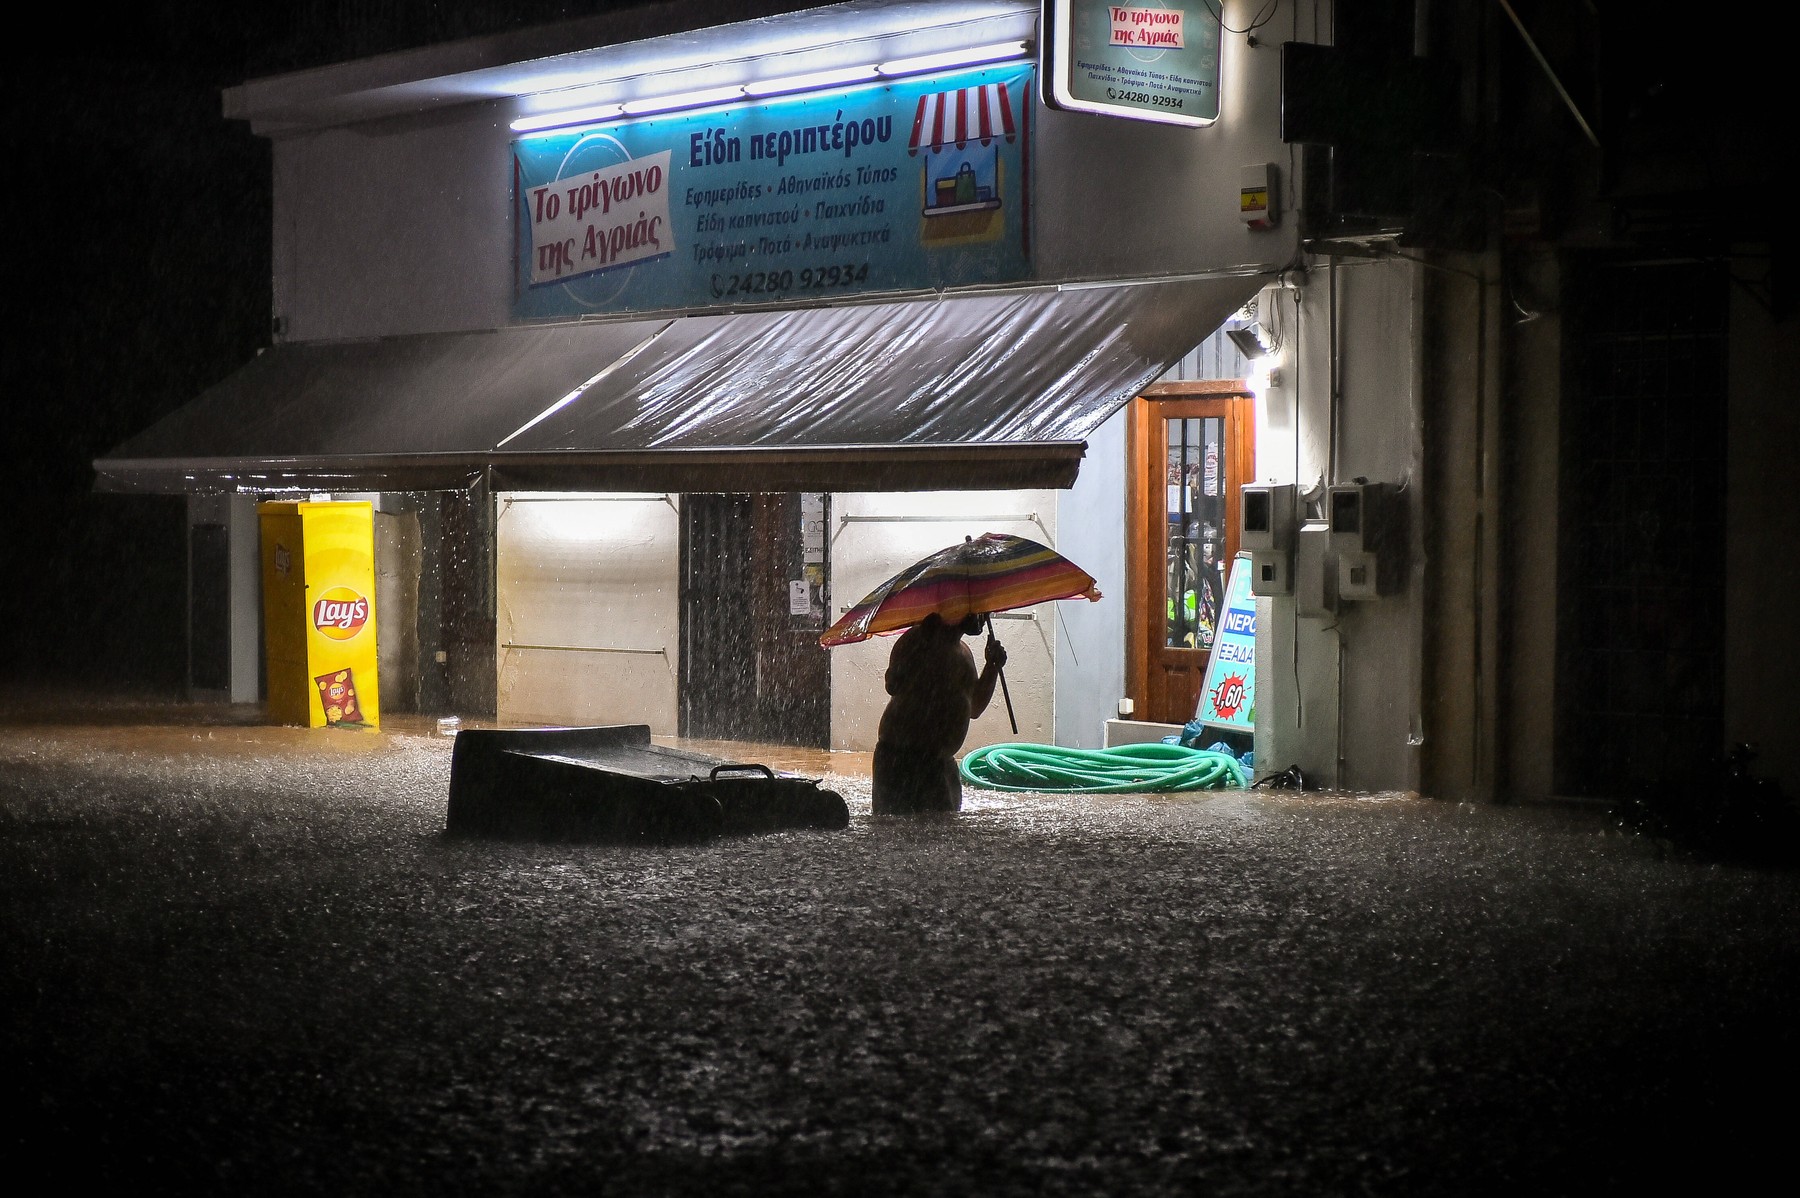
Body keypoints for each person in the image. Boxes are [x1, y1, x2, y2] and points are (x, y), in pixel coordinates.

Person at [870, 612, 1007, 814]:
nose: (984, 616)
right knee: (896, 833)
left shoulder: (964, 653)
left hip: (941, 762)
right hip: (900, 759)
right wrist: (924, 648)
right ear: (956, 607)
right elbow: (893, 685)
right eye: (977, 609)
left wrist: (992, 667)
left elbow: (975, 708)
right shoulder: (915, 639)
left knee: (943, 837)